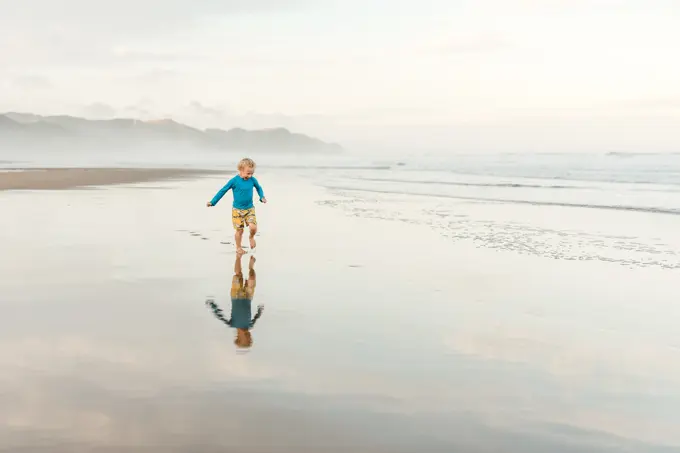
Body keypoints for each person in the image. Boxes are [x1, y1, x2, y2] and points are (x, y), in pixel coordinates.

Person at [207, 158, 267, 254]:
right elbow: (223, 190)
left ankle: (251, 237)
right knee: (239, 230)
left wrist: (262, 197)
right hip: (237, 210)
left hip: (249, 209)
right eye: (248, 173)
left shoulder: (252, 180)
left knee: (253, 227)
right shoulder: (234, 181)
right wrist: (213, 202)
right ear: (240, 170)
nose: (250, 175)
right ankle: (238, 247)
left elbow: (259, 188)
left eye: (252, 173)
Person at [206, 254, 264, 349]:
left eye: (248, 338)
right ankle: (251, 267)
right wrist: (260, 310)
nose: (249, 336)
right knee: (252, 278)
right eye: (250, 338)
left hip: (236, 295)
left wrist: (212, 305)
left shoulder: (233, 324)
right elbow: (256, 317)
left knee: (238, 274)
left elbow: (219, 315)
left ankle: (238, 256)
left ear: (239, 337)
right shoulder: (250, 325)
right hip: (248, 296)